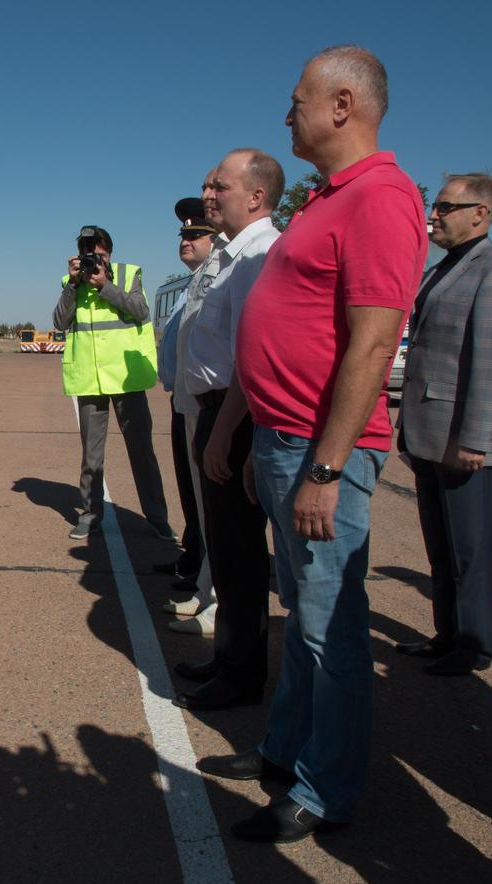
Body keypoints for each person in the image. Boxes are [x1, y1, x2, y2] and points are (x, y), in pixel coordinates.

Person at [197, 46, 427, 844]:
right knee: (301, 618)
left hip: (319, 450)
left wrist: (326, 468)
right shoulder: (329, 198)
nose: (286, 114)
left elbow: (371, 343)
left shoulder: (383, 196)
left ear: (341, 105)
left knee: (331, 627)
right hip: (284, 439)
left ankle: (324, 790)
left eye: (296, 101)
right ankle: (285, 752)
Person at [394, 174, 492, 677]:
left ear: (481, 213)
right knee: (440, 545)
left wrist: (477, 437)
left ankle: (473, 644)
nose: (436, 215)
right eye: (437, 206)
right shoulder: (438, 271)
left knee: (470, 549)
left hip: (463, 438)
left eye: (448, 207)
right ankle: (446, 633)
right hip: (430, 432)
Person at [171, 148, 284, 710]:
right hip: (214, 409)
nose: (208, 195)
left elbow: (250, 356)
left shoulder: (260, 254)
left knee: (239, 552)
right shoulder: (231, 255)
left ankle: (241, 675)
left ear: (256, 197)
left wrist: (221, 432)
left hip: (233, 414)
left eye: (219, 186)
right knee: (227, 545)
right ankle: (229, 659)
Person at [54, 225, 172, 542]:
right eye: (86, 250)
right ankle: (91, 514)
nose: (93, 256)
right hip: (90, 379)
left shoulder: (128, 273)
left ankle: (158, 517)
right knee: (91, 457)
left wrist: (105, 284)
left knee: (142, 451)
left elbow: (140, 310)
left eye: (98, 250)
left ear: (109, 250)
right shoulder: (72, 282)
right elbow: (59, 322)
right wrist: (73, 286)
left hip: (125, 377)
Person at [153, 199, 215, 602]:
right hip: (183, 401)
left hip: (206, 402)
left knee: (209, 503)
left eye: (195, 235)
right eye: (184, 236)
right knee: (192, 497)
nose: (186, 241)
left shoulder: (214, 276)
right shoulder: (190, 282)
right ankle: (194, 561)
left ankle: (207, 581)